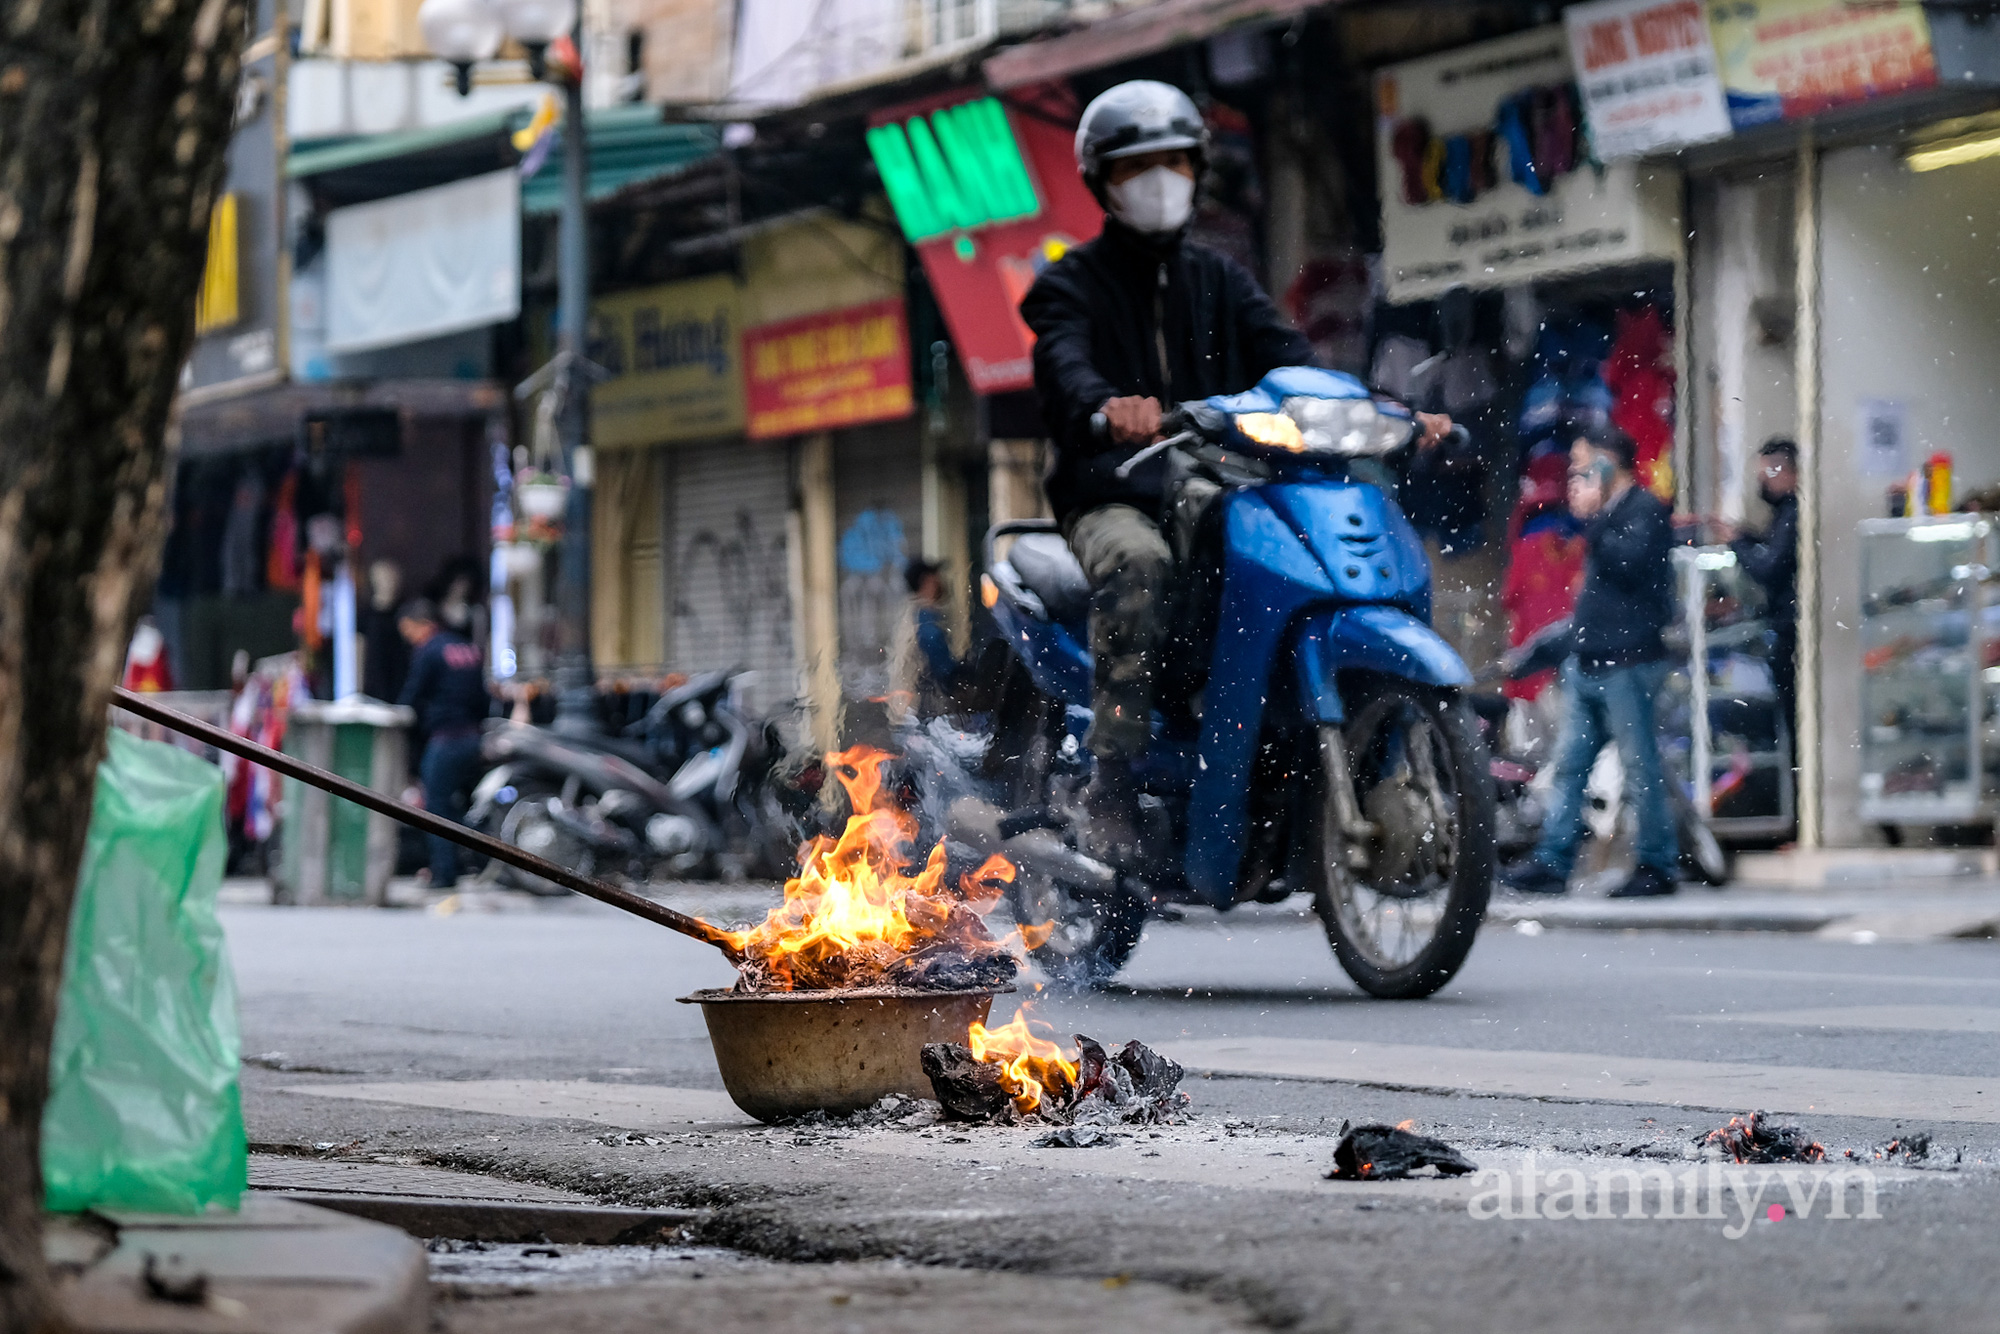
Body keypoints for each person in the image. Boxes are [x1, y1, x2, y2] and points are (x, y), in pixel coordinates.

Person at [1020, 79, 1447, 862]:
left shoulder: (1219, 279)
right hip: (1118, 489)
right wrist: (1108, 407)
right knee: (1144, 566)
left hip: (1219, 478)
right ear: (1101, 182)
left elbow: (1295, 362)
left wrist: (1388, 411)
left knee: (1279, 558)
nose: (1160, 182)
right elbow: (1062, 363)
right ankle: (1112, 778)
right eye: (1137, 168)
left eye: (1176, 163)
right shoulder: (1069, 284)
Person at [1502, 425, 1680, 899]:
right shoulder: (1607, 515)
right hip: (1590, 662)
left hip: (1629, 663)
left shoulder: (1644, 510)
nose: (1577, 474)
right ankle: (1553, 859)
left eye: (1585, 462)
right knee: (1570, 765)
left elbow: (1630, 564)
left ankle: (1657, 863)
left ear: (1608, 462)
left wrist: (1594, 521)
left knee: (1640, 769)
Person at [397, 598, 492, 888]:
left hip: (445, 739)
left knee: (436, 806)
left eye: (408, 631)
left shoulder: (429, 652)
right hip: (473, 738)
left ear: (420, 624)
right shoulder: (465, 648)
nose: (408, 639)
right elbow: (482, 696)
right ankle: (477, 862)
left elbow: (411, 697)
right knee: (463, 805)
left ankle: (445, 872)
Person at [1724, 438, 1799, 752]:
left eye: (1768, 474)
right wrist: (1743, 537)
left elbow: (1770, 567)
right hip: (1785, 630)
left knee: (1794, 724)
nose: (1762, 483)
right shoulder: (1784, 513)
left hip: (1791, 632)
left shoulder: (1793, 513)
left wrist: (1738, 544)